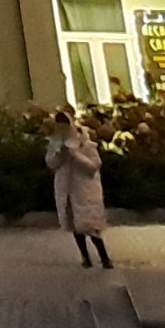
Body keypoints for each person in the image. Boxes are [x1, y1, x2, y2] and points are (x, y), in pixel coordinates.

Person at [46, 108, 109, 268]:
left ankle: (105, 258)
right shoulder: (55, 143)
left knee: (91, 226)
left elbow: (94, 165)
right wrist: (60, 155)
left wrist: (75, 155)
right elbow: (51, 163)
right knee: (75, 225)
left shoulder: (85, 143)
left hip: (84, 190)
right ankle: (85, 257)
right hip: (67, 190)